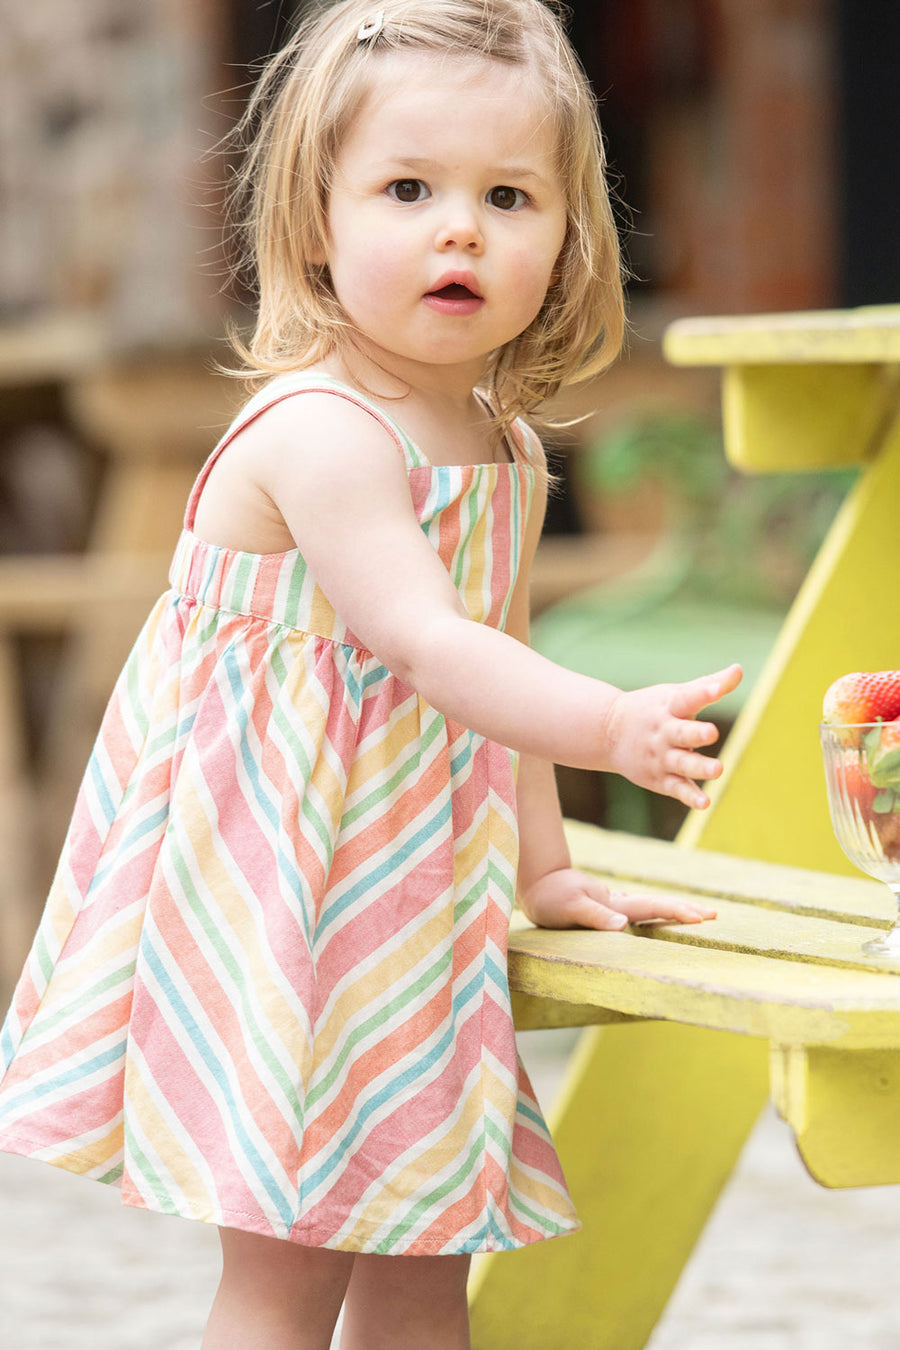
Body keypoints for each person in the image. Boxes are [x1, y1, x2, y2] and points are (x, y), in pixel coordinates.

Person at [0, 2, 741, 1347]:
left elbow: (490, 668)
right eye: (409, 188)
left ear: (568, 239)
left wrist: (542, 860)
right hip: (279, 899)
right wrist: (610, 723)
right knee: (287, 1278)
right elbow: (428, 641)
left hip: (409, 903)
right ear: (314, 223)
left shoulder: (504, 446)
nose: (461, 227)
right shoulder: (322, 433)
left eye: (508, 195)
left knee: (421, 1262)